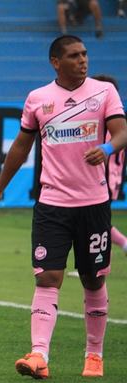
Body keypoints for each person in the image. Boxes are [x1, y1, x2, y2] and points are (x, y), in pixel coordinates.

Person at [0, 35, 127, 379]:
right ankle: (39, 355)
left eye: (85, 54)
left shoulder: (104, 92)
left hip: (93, 204)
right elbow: (21, 147)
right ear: (55, 62)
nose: (83, 60)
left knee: (93, 279)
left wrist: (107, 149)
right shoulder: (38, 99)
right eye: (75, 55)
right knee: (48, 277)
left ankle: (94, 355)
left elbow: (122, 132)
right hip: (52, 204)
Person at [93, 74, 127, 255]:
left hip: (101, 181)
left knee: (97, 224)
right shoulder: (120, 123)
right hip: (114, 180)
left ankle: (122, 244)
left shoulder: (103, 123)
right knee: (98, 224)